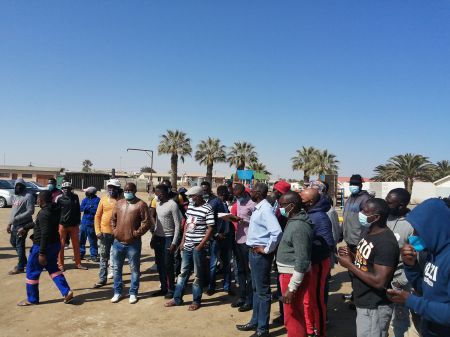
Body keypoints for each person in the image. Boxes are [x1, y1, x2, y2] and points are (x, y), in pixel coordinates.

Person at [388, 198, 450, 337]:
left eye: (418, 231)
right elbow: (426, 288)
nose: (413, 236)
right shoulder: (433, 252)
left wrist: (411, 301)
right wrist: (411, 266)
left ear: (433, 228)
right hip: (430, 327)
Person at [338, 198, 399, 337]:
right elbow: (367, 262)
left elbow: (379, 281)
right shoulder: (368, 230)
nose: (360, 213)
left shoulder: (386, 243)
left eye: (365, 211)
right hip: (363, 300)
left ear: (376, 217)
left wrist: (349, 265)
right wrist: (352, 256)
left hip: (374, 306)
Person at [236, 183, 282, 337]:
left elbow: (276, 232)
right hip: (253, 252)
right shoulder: (258, 208)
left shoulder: (266, 209)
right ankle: (255, 321)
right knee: (255, 289)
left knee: (262, 292)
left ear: (259, 193)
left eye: (253, 191)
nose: (250, 194)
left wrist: (267, 249)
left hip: (260, 255)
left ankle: (262, 328)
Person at [17, 191, 73, 305]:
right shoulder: (54, 209)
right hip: (55, 244)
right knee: (53, 268)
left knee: (31, 271)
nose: (36, 200)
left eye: (37, 198)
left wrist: (41, 253)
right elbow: (37, 222)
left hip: (42, 246)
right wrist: (25, 227)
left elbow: (45, 233)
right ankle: (66, 292)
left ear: (41, 200)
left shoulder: (44, 213)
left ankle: (32, 299)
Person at [165, 186, 214, 311]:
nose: (190, 199)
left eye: (192, 196)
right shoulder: (191, 207)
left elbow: (210, 228)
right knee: (183, 272)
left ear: (198, 196)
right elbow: (187, 223)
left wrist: (201, 245)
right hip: (187, 245)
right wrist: (183, 240)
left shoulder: (207, 208)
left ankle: (196, 300)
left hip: (198, 246)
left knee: (197, 275)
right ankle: (177, 298)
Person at [277, 191, 314, 337]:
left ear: (291, 206)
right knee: (293, 314)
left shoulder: (299, 226)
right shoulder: (294, 220)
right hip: (288, 273)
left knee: (292, 316)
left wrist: (292, 288)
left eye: (282, 205)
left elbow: (302, 259)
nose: (279, 208)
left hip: (292, 275)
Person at [300, 188, 334, 337]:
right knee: (307, 299)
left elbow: (328, 244)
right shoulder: (307, 213)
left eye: (302, 199)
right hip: (308, 264)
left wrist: (309, 249)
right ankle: (309, 328)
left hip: (317, 264)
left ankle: (319, 331)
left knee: (317, 300)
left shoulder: (320, 217)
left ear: (311, 201)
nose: (300, 201)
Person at [111, 182, 152, 304]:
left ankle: (133, 292)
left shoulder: (141, 204)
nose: (127, 192)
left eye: (130, 191)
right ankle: (117, 292)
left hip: (133, 244)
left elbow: (146, 222)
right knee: (117, 268)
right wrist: (114, 231)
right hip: (118, 242)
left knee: (134, 269)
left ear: (135, 191)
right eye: (126, 190)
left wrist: (136, 233)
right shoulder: (119, 203)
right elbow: (113, 219)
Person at [385, 188, 416, 337]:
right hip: (382, 278)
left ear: (401, 205)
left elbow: (415, 259)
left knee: (399, 320)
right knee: (384, 316)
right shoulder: (385, 217)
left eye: (389, 202)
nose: (386, 204)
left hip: (400, 281)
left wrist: (401, 281)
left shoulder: (412, 225)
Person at [342, 174, 372, 305]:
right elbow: (345, 218)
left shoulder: (365, 199)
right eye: (351, 184)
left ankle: (359, 298)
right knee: (351, 270)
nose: (352, 186)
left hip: (358, 240)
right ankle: (355, 294)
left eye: (355, 184)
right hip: (349, 239)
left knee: (359, 270)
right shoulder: (350, 199)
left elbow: (368, 222)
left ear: (361, 185)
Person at [150, 184, 182, 298]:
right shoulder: (158, 204)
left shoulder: (173, 205)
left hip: (169, 238)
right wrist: (153, 237)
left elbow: (178, 225)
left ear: (162, 193)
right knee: (160, 264)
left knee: (168, 265)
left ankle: (171, 289)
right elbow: (158, 223)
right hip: (158, 238)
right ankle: (163, 288)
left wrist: (174, 242)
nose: (156, 195)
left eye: (157, 193)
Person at [230, 183, 256, 311]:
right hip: (238, 239)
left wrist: (244, 221)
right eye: (235, 195)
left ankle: (249, 300)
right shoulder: (238, 202)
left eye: (239, 195)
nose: (237, 197)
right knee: (239, 270)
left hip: (248, 241)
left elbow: (257, 222)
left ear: (244, 193)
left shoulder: (252, 203)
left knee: (249, 272)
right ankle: (242, 296)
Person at [93, 178, 121, 288]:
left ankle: (117, 279)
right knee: (103, 257)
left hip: (117, 234)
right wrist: (97, 231)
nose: (111, 190)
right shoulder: (103, 200)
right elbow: (97, 216)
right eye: (110, 188)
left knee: (117, 257)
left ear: (118, 189)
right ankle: (102, 279)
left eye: (114, 188)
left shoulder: (121, 201)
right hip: (104, 233)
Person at [207, 185, 233, 296]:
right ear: (222, 194)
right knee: (213, 264)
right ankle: (211, 287)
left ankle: (227, 287)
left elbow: (225, 218)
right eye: (226, 193)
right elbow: (208, 221)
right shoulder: (214, 203)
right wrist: (216, 234)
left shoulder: (224, 203)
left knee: (227, 264)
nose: (228, 195)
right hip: (217, 239)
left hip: (226, 238)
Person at [6, 178, 35, 275]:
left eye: (20, 185)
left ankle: (20, 267)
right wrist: (10, 223)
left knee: (19, 244)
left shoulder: (28, 196)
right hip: (15, 224)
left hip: (23, 224)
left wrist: (17, 218)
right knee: (13, 242)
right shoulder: (15, 196)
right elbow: (13, 211)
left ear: (24, 186)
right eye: (16, 185)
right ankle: (24, 261)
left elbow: (31, 211)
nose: (18, 187)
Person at [57, 182, 87, 271]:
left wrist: (78, 221)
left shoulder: (75, 197)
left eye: (68, 188)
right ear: (62, 189)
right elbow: (57, 212)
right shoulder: (59, 199)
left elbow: (78, 210)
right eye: (64, 188)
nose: (66, 190)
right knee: (61, 245)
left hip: (74, 225)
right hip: (62, 225)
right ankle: (60, 265)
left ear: (71, 189)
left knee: (76, 245)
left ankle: (78, 263)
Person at [79, 187, 100, 262]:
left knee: (93, 241)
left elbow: (96, 209)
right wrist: (89, 207)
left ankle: (93, 255)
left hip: (92, 223)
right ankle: (80, 254)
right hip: (84, 223)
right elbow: (81, 208)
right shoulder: (85, 199)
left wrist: (87, 208)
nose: (86, 193)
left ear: (91, 192)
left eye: (87, 191)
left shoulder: (97, 200)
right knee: (81, 240)